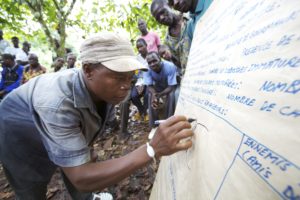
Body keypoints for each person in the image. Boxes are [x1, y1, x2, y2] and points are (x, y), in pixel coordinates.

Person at [0, 32, 193, 199]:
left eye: (130, 76)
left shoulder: (101, 88)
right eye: (118, 77)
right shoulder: (57, 103)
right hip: (18, 129)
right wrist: (151, 149)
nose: (127, 85)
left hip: (49, 115)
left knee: (77, 156)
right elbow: (81, 177)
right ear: (88, 70)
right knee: (31, 185)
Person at [151, 0, 191, 74]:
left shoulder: (189, 15)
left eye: (163, 12)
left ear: (169, 5)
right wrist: (170, 57)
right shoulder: (167, 42)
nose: (161, 18)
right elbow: (182, 65)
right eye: (158, 18)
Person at [144, 51, 177, 128]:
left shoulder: (170, 66)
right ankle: (154, 125)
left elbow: (171, 86)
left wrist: (160, 94)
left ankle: (169, 122)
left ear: (160, 58)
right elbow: (149, 85)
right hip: (158, 86)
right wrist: (154, 94)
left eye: (154, 61)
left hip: (169, 86)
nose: (152, 64)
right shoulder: (146, 68)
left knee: (171, 95)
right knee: (149, 95)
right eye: (150, 62)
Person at [131, 38, 149, 121]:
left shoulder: (151, 55)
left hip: (150, 81)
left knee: (146, 95)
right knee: (133, 96)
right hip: (140, 81)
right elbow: (136, 73)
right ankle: (142, 111)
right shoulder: (136, 59)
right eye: (138, 47)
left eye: (141, 46)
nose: (140, 49)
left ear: (146, 45)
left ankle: (145, 113)